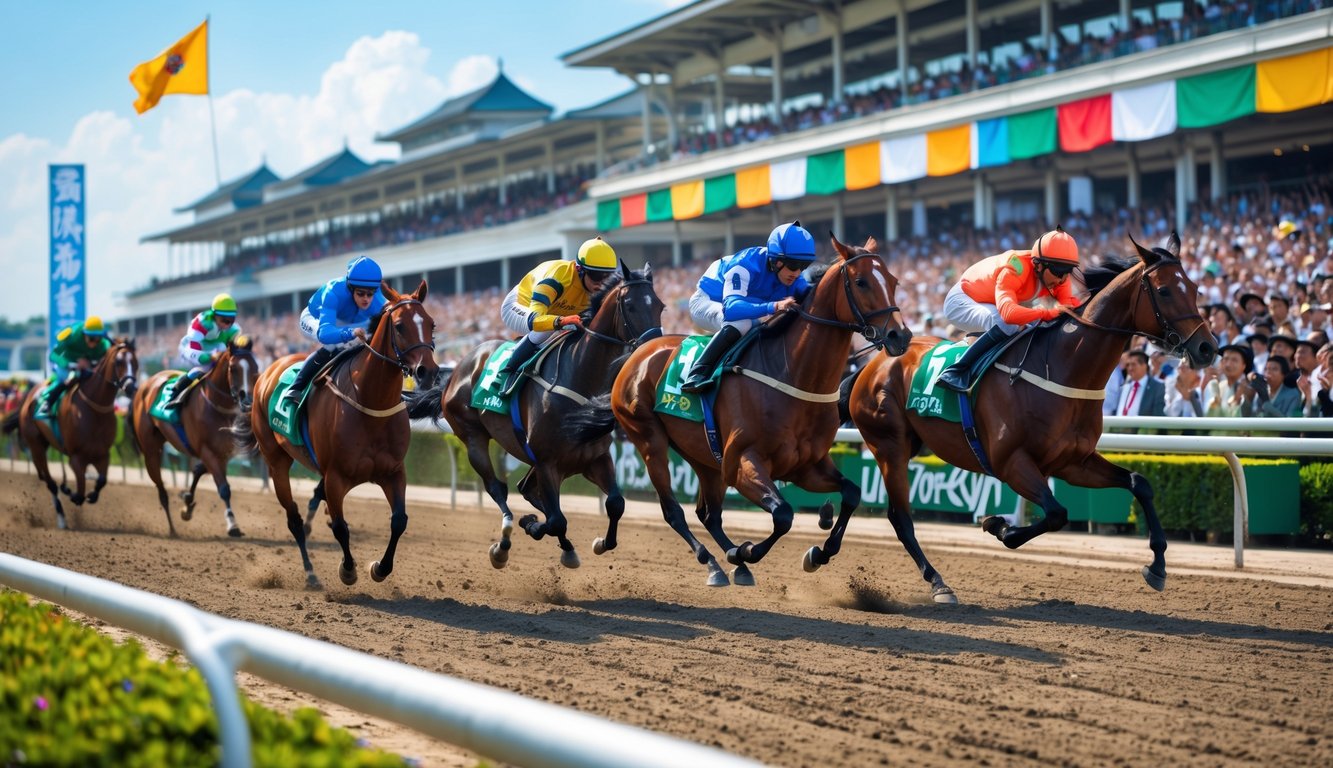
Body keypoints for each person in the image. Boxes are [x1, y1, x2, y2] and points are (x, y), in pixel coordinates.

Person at [936, 226, 1082, 392]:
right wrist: (1047, 313)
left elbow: (1068, 309)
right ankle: (957, 370)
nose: (1062, 278)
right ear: (1039, 265)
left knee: (1034, 323)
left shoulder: (1058, 277)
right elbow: (1008, 314)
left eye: (1068, 271)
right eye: (1058, 271)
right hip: (961, 301)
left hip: (990, 304)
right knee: (1008, 324)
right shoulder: (1015, 267)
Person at [680, 221, 816, 393]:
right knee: (742, 323)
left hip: (743, 310)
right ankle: (698, 372)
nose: (797, 273)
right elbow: (731, 309)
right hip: (706, 302)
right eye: (793, 265)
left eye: (803, 266)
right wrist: (773, 306)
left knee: (764, 325)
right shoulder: (746, 264)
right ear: (776, 260)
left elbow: (813, 297)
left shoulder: (794, 277)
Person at [496, 237, 619, 393]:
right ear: (580, 270)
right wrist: (562, 321)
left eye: (607, 276)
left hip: (555, 312)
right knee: (545, 330)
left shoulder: (607, 285)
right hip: (521, 307)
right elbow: (536, 321)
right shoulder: (557, 279)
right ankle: (507, 371)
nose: (602, 283)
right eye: (596, 275)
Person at [279, 256, 387, 408]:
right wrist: (350, 333)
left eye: (370, 294)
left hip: (349, 321)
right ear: (350, 288)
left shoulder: (380, 301)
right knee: (331, 345)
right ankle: (296, 387)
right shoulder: (333, 291)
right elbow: (325, 334)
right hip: (316, 319)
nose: (366, 299)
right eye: (361, 293)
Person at [163, 294, 241, 410]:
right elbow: (194, 346)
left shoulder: (234, 330)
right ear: (214, 315)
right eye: (224, 320)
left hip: (212, 348)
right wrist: (210, 357)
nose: (228, 324)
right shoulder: (203, 323)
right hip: (191, 348)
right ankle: (174, 393)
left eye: (231, 320)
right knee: (203, 368)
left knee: (223, 352)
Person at [35, 316, 112, 419]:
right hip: (65, 364)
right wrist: (71, 364)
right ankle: (46, 404)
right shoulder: (71, 335)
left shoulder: (104, 344)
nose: (94, 343)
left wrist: (91, 364)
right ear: (84, 334)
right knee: (67, 378)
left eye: (98, 340)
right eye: (92, 339)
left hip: (86, 368)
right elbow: (53, 355)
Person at [1115, 349, 1166, 417]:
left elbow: (1158, 415)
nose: (1130, 368)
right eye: (1127, 365)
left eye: (1133, 364)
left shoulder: (1158, 387)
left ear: (1144, 365)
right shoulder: (1123, 388)